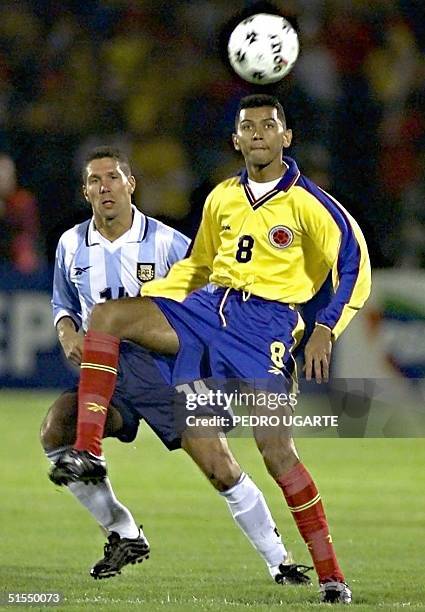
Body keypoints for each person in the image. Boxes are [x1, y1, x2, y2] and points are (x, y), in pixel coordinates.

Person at [51, 95, 371, 604]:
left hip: (265, 327)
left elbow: (355, 266)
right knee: (108, 316)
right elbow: (199, 265)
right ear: (236, 140)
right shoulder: (222, 196)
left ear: (285, 138)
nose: (259, 133)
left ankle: (332, 575)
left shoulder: (311, 203)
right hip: (208, 310)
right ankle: (87, 451)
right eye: (249, 127)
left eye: (270, 126)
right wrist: (153, 299)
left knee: (277, 453)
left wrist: (325, 327)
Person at [43, 145, 312, 586]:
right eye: (95, 180)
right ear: (85, 191)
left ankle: (279, 562)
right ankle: (122, 531)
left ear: (131, 184)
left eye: (113, 177)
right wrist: (67, 331)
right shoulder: (71, 244)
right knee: (56, 428)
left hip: (169, 371)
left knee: (220, 468)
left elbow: (213, 298)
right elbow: (63, 303)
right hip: (109, 373)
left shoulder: (168, 242)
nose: (104, 186)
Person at [0, 153, 42, 274]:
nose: (4, 178)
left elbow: (26, 232)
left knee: (25, 253)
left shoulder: (23, 201)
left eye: (7, 174)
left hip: (17, 261)